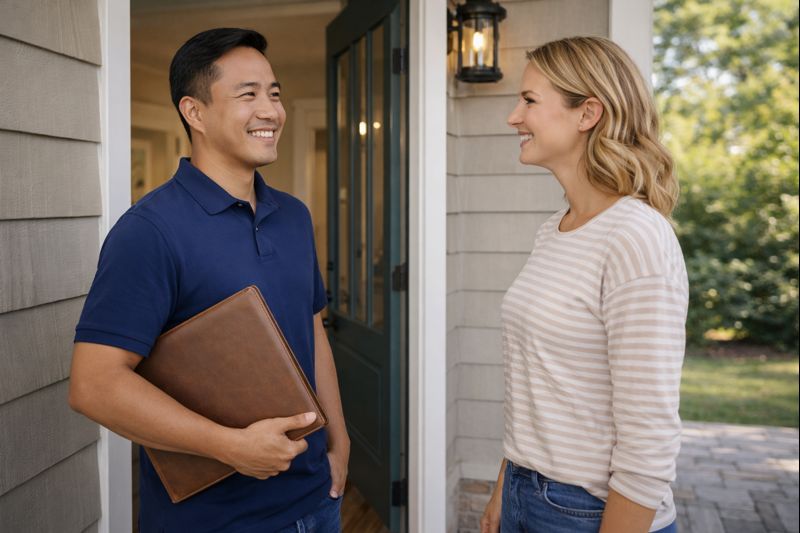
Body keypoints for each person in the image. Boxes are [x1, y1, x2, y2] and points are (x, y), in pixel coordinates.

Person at [68, 28, 349, 533]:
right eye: (248, 95)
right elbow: (94, 385)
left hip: (316, 500)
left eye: (275, 93)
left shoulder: (294, 216)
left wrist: (339, 441)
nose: (271, 110)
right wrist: (230, 446)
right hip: (215, 520)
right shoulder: (150, 231)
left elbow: (313, 330)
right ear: (194, 112)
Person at [480, 36, 688, 533]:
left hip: (589, 511)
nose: (513, 117)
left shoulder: (635, 236)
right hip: (526, 492)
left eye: (529, 100)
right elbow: (543, 387)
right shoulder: (556, 229)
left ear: (587, 113)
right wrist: (504, 488)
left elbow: (649, 437)